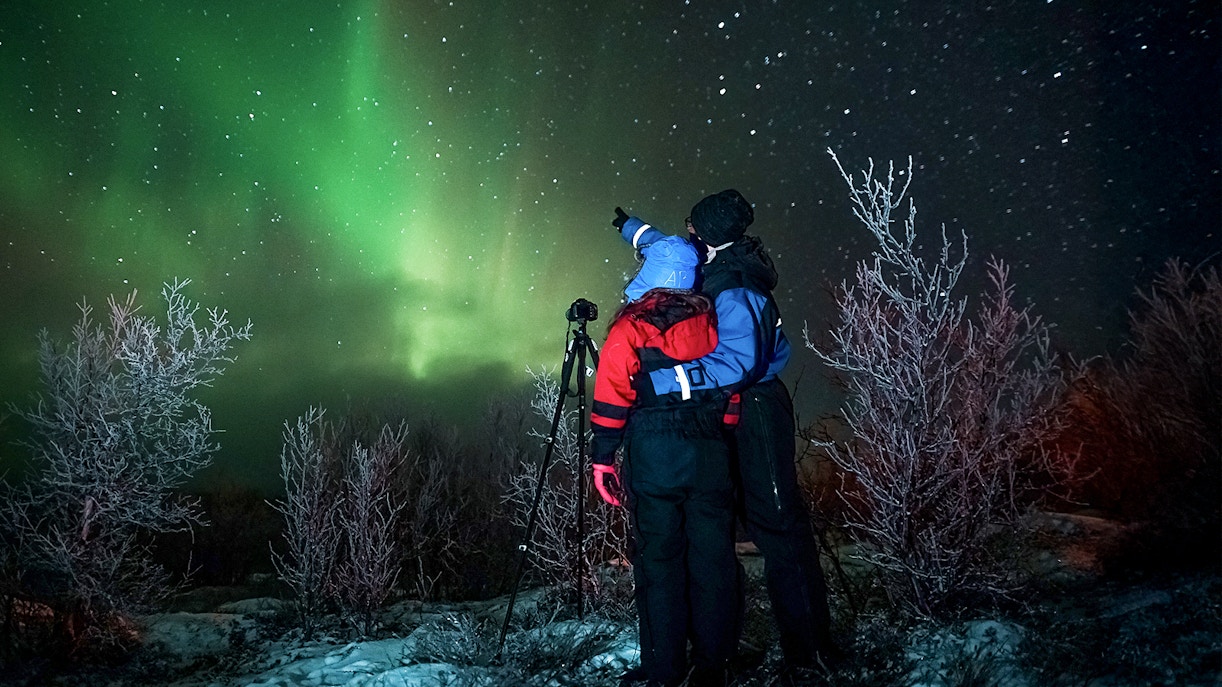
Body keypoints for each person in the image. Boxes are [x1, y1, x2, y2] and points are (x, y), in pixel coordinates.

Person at [639, 190, 839, 675]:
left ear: (707, 234)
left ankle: (810, 654)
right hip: (723, 410)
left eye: (692, 226)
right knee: (717, 526)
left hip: (755, 410)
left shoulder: (738, 285)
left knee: (777, 525)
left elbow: (739, 363)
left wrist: (664, 382)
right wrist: (632, 228)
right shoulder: (719, 264)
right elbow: (662, 245)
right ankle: (718, 647)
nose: (685, 232)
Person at [589, 215, 740, 687]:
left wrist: (602, 457)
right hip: (709, 451)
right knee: (714, 558)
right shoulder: (714, 320)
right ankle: (713, 666)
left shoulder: (631, 326)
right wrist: (722, 432)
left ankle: (664, 670)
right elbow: (731, 384)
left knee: (659, 561)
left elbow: (613, 393)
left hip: (654, 454)